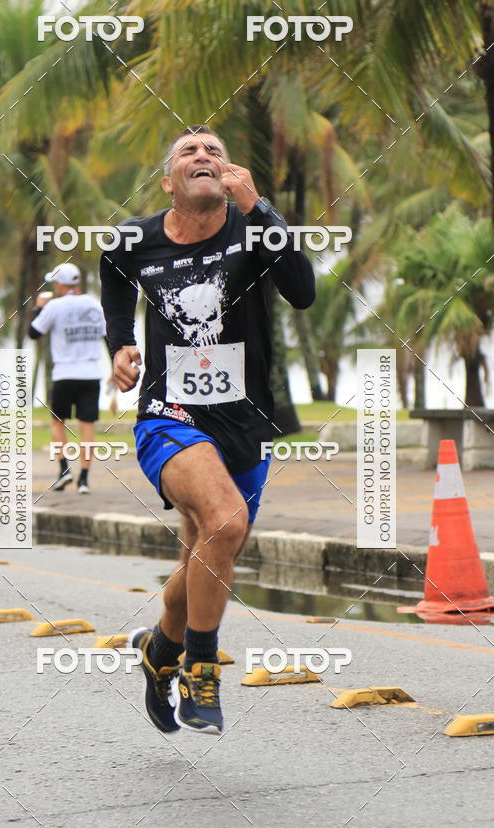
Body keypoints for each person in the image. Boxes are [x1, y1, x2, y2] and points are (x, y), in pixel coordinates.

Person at [100, 126, 315, 734]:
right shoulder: (134, 238)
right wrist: (121, 343)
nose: (203, 156)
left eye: (214, 151)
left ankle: (159, 650)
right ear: (169, 182)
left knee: (209, 550)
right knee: (225, 522)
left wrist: (260, 208)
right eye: (189, 152)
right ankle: (200, 669)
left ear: (229, 174)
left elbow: (302, 292)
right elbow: (114, 272)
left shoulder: (253, 228)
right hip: (170, 415)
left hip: (244, 420)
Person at [29, 262, 106, 494]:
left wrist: (38, 308)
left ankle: (64, 470)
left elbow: (33, 332)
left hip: (64, 373)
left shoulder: (55, 306)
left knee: (57, 422)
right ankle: (84, 479)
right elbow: (108, 337)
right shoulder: (95, 305)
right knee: (87, 427)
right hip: (91, 373)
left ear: (60, 284)